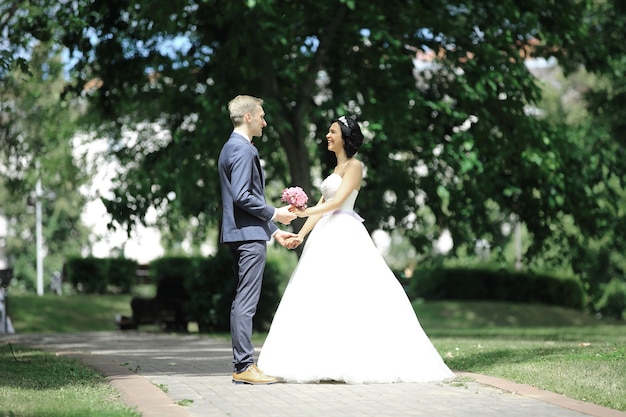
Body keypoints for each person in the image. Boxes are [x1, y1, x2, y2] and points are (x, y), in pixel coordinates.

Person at [257, 115, 455, 384]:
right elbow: (322, 204)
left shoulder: (355, 167)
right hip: (324, 236)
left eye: (333, 131)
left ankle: (353, 361)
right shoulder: (334, 172)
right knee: (321, 295)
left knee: (350, 293)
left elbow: (336, 203)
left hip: (345, 233)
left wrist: (304, 210)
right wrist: (301, 234)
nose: (328, 135)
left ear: (345, 137)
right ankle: (323, 361)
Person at [218, 95, 297, 385]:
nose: (265, 122)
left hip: (245, 232)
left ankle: (244, 364)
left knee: (243, 299)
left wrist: (275, 231)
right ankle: (243, 365)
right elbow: (243, 196)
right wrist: (276, 212)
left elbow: (243, 198)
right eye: (261, 116)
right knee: (246, 302)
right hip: (247, 236)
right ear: (248, 117)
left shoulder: (231, 147)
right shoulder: (242, 150)